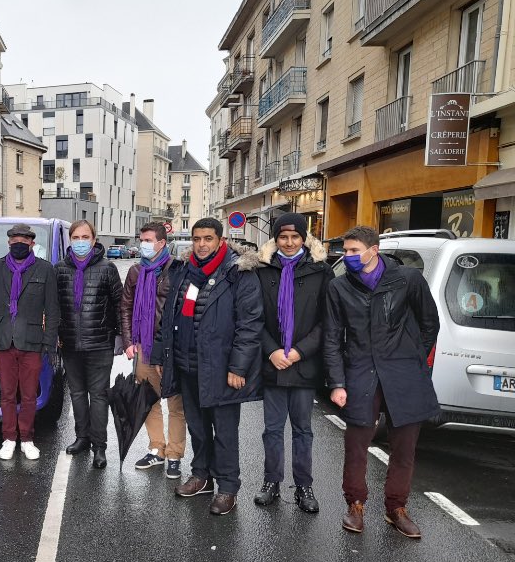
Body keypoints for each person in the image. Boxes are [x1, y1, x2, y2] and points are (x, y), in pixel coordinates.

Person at [324, 225, 440, 539]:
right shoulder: (339, 288)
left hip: (404, 373)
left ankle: (397, 508)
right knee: (356, 444)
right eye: (345, 251)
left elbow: (430, 323)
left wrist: (414, 358)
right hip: (361, 371)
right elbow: (332, 338)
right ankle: (356, 504)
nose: (347, 257)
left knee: (404, 446)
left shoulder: (407, 279)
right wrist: (336, 382)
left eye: (353, 251)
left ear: (374, 250)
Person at [152, 217, 263, 515]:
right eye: (197, 239)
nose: (201, 245)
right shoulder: (185, 271)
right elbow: (170, 317)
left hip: (221, 368)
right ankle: (201, 475)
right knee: (198, 429)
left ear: (220, 240)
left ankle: (228, 487)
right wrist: (163, 357)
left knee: (225, 432)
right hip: (187, 365)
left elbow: (250, 325)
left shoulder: (239, 273)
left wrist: (238, 368)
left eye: (208, 239)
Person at [243, 213, 332, 513]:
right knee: (272, 429)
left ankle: (304, 486)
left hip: (303, 364)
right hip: (273, 365)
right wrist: (271, 351)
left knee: (303, 429)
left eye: (295, 237)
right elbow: (253, 316)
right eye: (283, 237)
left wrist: (299, 352)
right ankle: (271, 483)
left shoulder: (321, 271)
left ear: (304, 238)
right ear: (276, 239)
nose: (290, 242)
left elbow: (326, 322)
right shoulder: (262, 270)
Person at [0, 224, 60, 461]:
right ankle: (8, 438)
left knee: (28, 395)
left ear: (32, 244)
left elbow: (52, 310)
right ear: (8, 243)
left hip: (32, 342)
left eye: (24, 241)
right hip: (3, 341)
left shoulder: (44, 269)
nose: (19, 244)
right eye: (15, 240)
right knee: (6, 393)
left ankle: (26, 437)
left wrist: (50, 343)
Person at [120, 222, 186, 479]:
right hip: (143, 347)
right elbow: (125, 307)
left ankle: (174, 455)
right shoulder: (136, 271)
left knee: (176, 404)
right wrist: (128, 341)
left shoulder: (177, 270)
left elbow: (181, 310)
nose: (143, 245)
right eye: (141, 240)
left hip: (170, 349)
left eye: (148, 240)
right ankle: (157, 449)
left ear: (161, 242)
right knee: (148, 401)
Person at [56, 220, 123, 469]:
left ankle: (100, 447)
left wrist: (119, 337)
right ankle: (82, 438)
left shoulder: (108, 268)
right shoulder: (60, 269)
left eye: (85, 237)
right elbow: (54, 306)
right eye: (76, 237)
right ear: (70, 240)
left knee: (98, 396)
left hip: (100, 344)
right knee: (76, 394)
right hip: (70, 343)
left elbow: (118, 304)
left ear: (94, 240)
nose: (80, 241)